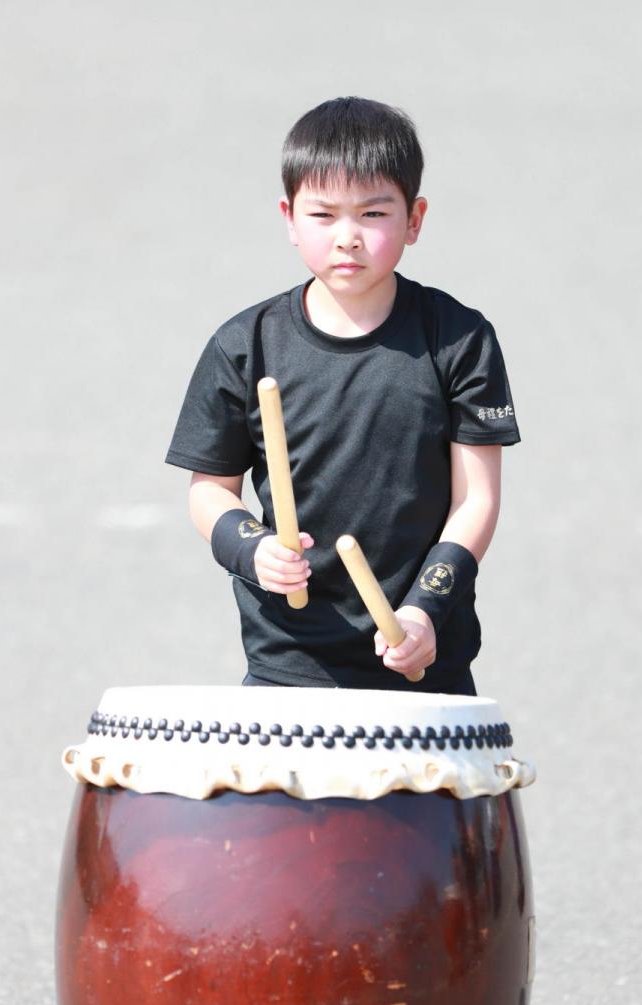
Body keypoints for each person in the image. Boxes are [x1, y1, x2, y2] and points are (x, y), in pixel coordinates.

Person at [166, 97, 520, 693]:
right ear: (289, 218)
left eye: (374, 213)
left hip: (422, 655)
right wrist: (250, 549)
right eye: (323, 215)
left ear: (415, 219)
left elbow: (476, 501)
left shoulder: (459, 339)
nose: (348, 238)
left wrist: (422, 611)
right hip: (288, 665)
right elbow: (210, 491)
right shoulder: (245, 346)